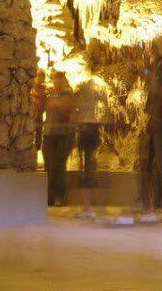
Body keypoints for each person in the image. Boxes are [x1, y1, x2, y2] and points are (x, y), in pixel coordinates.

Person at [136, 55, 162, 217]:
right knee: (155, 160)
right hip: (158, 122)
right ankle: (155, 197)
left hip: (157, 123)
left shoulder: (160, 80)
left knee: (156, 160)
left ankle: (156, 198)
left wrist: (152, 119)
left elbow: (156, 103)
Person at [73, 78, 107, 219]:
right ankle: (88, 206)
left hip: (88, 132)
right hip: (90, 132)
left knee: (87, 169)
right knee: (88, 168)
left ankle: (87, 207)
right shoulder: (93, 101)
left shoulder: (85, 103)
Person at [41, 72, 74, 207]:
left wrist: (57, 104)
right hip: (49, 133)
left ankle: (60, 196)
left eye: (57, 80)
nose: (55, 82)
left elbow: (68, 111)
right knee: (49, 166)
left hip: (63, 135)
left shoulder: (68, 94)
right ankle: (49, 197)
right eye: (54, 80)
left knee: (59, 166)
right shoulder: (50, 94)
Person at [31, 68, 47, 152]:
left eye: (42, 77)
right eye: (39, 77)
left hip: (39, 114)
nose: (41, 79)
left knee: (38, 133)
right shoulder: (33, 86)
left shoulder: (43, 88)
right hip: (32, 114)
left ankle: (36, 148)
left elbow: (43, 99)